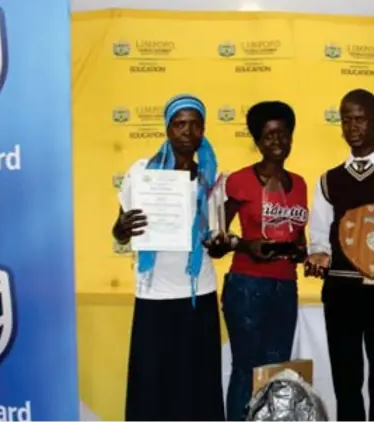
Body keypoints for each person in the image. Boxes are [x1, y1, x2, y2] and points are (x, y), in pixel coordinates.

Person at [305, 88, 374, 421]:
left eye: (360, 118)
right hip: (340, 292)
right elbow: (318, 238)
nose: (352, 126)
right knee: (346, 381)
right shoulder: (329, 181)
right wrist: (318, 256)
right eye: (345, 119)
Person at [112, 94, 225, 421]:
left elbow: (215, 240)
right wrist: (120, 228)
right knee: (152, 388)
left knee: (197, 387)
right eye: (179, 124)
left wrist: (219, 245)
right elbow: (121, 231)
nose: (187, 132)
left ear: (203, 128)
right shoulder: (141, 173)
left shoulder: (214, 178)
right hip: (154, 295)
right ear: (168, 128)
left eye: (194, 124)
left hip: (198, 294)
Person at [204, 101, 309, 421]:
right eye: (269, 136)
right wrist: (246, 244)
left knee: (277, 373)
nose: (277, 142)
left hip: (285, 286)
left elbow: (299, 237)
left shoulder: (300, 183)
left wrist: (301, 252)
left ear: (292, 136)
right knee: (246, 369)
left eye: (283, 134)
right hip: (247, 287)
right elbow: (216, 242)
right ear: (258, 141)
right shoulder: (239, 181)